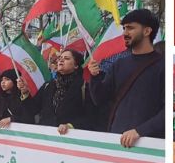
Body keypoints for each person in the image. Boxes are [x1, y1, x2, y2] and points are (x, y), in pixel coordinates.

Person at [86, 9, 163, 145]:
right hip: (117, 139)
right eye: (124, 28)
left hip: (148, 143)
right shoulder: (119, 64)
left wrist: (140, 131)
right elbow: (99, 98)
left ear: (147, 31)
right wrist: (95, 76)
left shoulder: (163, 65)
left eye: (130, 28)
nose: (125, 33)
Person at [36, 48, 88, 134]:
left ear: (76, 65)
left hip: (70, 140)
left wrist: (70, 126)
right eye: (60, 58)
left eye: (66, 58)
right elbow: (32, 108)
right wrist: (25, 93)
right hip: (45, 138)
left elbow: (90, 116)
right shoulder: (48, 85)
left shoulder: (84, 86)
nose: (61, 60)